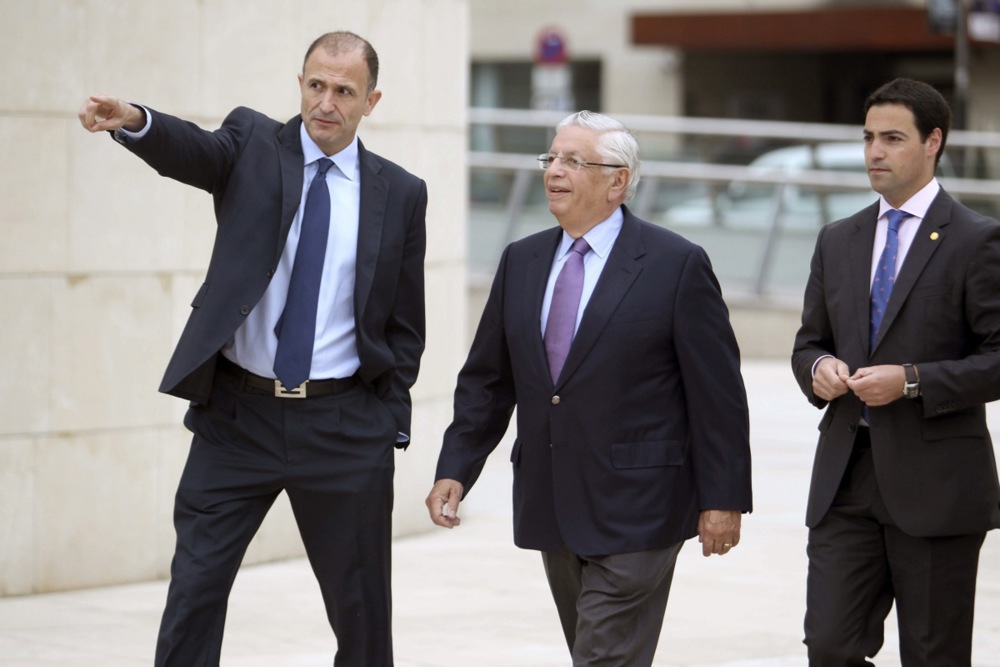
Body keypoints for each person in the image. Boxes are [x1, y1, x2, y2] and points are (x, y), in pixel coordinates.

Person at [78, 31, 427, 667]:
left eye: (344, 91)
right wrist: (134, 120)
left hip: (343, 427)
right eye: (315, 85)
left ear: (371, 101)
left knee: (362, 616)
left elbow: (405, 320)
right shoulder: (253, 145)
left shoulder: (400, 193)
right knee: (194, 592)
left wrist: (388, 421)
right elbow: (194, 150)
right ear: (300, 84)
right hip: (237, 420)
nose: (326, 102)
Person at [425, 111, 753, 666]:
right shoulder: (522, 260)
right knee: (595, 650)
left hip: (642, 506)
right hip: (552, 499)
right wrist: (456, 467)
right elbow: (488, 380)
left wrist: (724, 499)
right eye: (551, 157)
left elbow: (717, 394)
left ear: (617, 181)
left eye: (574, 161)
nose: (554, 170)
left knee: (601, 656)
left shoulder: (676, 265)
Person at [791, 78, 1000, 666]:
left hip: (937, 485)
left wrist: (911, 381)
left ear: (933, 142)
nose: (875, 152)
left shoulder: (978, 240)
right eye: (868, 138)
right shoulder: (838, 239)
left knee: (933, 655)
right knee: (829, 647)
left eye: (892, 138)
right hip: (846, 478)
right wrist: (819, 368)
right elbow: (809, 343)